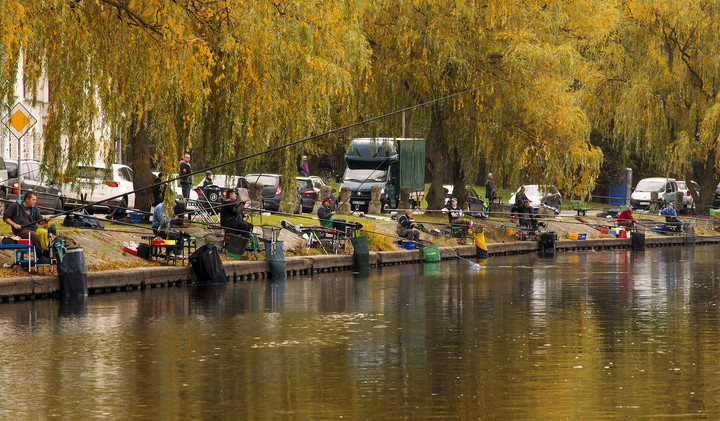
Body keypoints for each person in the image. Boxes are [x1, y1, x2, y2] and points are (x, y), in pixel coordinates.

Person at [4, 191, 53, 264]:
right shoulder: (15, 206)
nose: (35, 202)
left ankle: (47, 255)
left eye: (35, 200)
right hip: (21, 231)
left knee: (45, 233)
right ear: (27, 199)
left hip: (33, 228)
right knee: (32, 234)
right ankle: (40, 256)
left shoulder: (34, 208)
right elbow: (6, 218)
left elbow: (40, 221)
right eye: (33, 200)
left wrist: (46, 220)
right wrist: (14, 225)